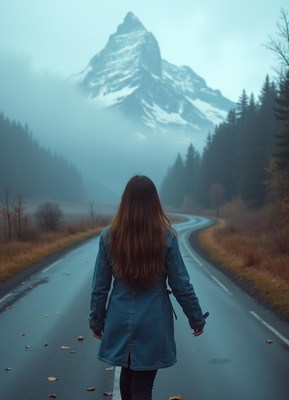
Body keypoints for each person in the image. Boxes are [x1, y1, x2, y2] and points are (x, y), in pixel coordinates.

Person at [89, 175, 206, 400]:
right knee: (142, 385)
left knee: (127, 376)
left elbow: (100, 287)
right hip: (154, 319)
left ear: (125, 201)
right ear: (154, 202)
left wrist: (96, 320)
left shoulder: (108, 236)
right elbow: (181, 284)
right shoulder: (167, 237)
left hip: (119, 317)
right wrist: (196, 317)